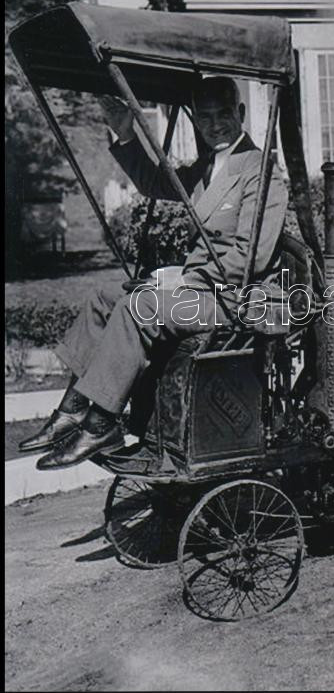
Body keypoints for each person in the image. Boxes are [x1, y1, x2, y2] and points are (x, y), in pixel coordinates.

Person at [20, 76, 288, 468]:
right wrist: (126, 134)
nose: (215, 125)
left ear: (241, 113)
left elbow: (252, 258)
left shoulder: (260, 172)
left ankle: (101, 423)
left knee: (139, 307)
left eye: (224, 114)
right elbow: (155, 183)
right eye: (205, 117)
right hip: (204, 291)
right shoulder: (209, 165)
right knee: (103, 299)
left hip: (233, 299)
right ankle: (72, 410)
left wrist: (184, 278)